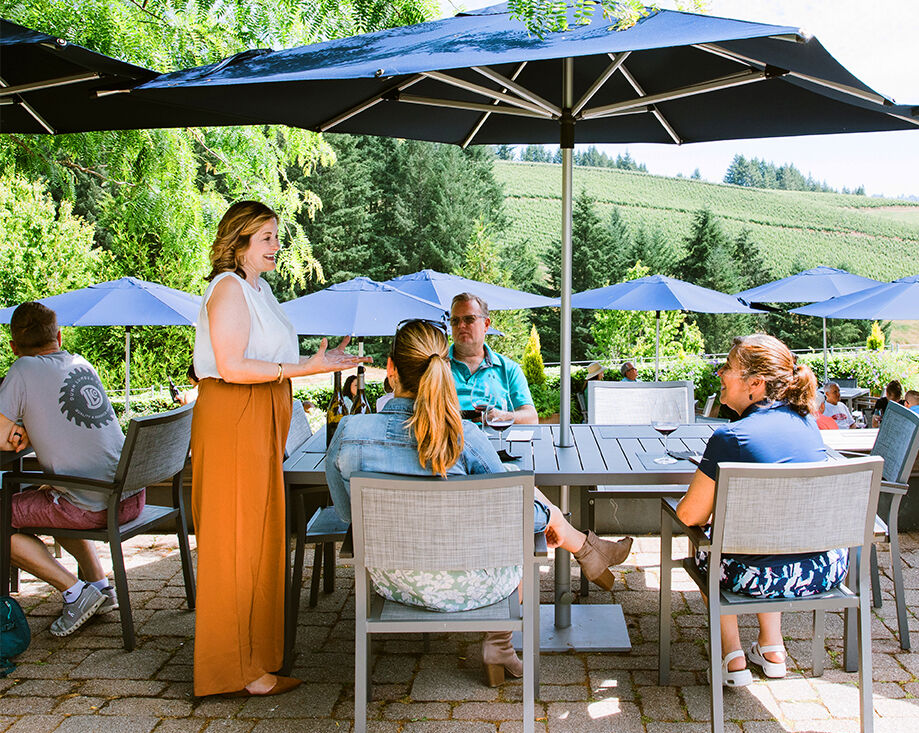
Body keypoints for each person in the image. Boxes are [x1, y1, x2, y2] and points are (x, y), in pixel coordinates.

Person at [326, 320, 632, 686]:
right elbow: (517, 514)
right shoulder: (464, 438)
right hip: (474, 587)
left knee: (523, 502)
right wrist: (545, 518)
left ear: (391, 370)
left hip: (391, 583)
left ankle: (586, 548)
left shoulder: (350, 434)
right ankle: (575, 557)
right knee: (526, 510)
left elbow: (346, 515)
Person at [191, 200, 362, 698]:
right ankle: (230, 668)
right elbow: (233, 364)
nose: (277, 246)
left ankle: (255, 659)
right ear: (239, 242)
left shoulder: (257, 290)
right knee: (235, 540)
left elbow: (270, 357)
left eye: (276, 236)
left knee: (261, 536)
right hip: (234, 416)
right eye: (267, 236)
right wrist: (304, 370)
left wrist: (319, 359)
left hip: (259, 414)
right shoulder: (227, 289)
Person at [675, 334, 846, 687]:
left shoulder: (731, 438)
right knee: (772, 531)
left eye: (727, 368)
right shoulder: (808, 426)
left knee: (712, 545)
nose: (720, 374)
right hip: (821, 570)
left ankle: (732, 656)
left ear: (755, 383)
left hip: (755, 577)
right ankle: (772, 648)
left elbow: (690, 516)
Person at [0, 302, 142, 637]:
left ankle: (76, 593)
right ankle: (99, 586)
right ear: (59, 337)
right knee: (51, 493)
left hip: (94, 505)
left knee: (5, 512)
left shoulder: (22, 369)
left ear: (13, 347)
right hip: (129, 494)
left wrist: (19, 431)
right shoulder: (82, 364)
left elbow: (3, 439)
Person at [448, 293, 538, 424]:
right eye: (455, 321)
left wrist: (503, 417)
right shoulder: (436, 366)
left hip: (496, 440)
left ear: (486, 324)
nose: (461, 326)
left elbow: (531, 418)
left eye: (469, 319)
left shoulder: (508, 369)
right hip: (447, 441)